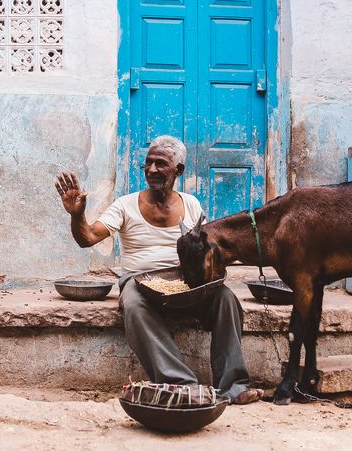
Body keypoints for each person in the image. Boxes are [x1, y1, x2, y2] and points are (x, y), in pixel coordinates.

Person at [54, 135, 262, 405]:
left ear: (179, 170)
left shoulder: (192, 205)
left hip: (186, 282)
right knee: (131, 302)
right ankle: (181, 385)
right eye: (148, 164)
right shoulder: (125, 205)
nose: (151, 170)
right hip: (140, 283)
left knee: (226, 299)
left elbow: (207, 247)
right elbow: (88, 237)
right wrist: (76, 215)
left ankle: (233, 387)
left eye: (160, 164)